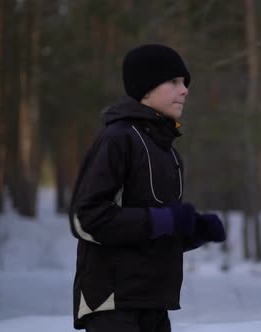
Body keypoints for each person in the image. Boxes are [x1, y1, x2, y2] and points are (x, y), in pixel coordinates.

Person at [68, 44, 226, 332]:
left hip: (153, 303)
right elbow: (85, 219)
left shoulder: (167, 151)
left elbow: (149, 232)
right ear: (146, 88)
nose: (185, 90)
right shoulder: (118, 138)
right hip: (112, 303)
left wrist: (191, 231)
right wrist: (164, 220)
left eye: (185, 83)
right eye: (174, 81)